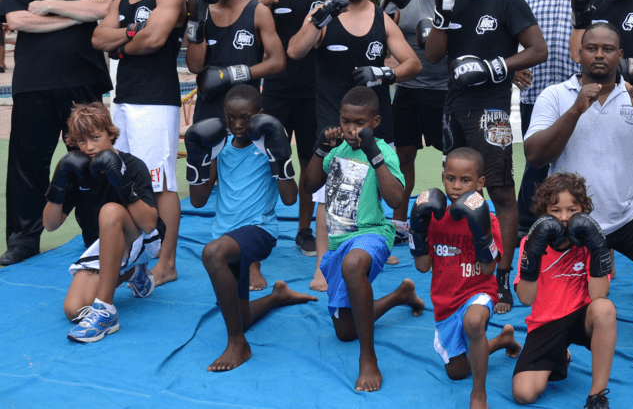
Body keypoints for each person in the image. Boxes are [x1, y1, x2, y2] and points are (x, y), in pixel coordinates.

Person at [524, 23, 633, 344]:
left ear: (621, 55)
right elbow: (535, 155)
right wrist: (575, 111)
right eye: (592, 48)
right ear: (579, 54)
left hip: (628, 214)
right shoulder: (556, 95)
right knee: (571, 317)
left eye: (608, 49)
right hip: (570, 220)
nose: (599, 55)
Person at [425, 0, 549, 313]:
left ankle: (502, 276)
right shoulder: (453, 1)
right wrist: (442, 12)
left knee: (500, 193)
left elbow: (538, 49)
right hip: (453, 107)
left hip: (491, 112)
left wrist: (495, 67)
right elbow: (433, 55)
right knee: (458, 190)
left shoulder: (507, 1)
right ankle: (468, 265)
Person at [287, 0, 422, 291]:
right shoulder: (322, 14)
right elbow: (295, 50)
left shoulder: (381, 18)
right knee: (326, 195)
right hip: (333, 120)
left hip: (376, 120)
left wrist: (385, 73)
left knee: (376, 185)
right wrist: (320, 18)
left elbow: (412, 63)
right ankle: (322, 265)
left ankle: (374, 241)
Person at [0, 0, 113, 266]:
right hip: (34, 83)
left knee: (91, 160)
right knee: (27, 165)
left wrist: (48, 4)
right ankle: (23, 240)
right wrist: (77, 14)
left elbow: (104, 8)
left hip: (83, 82)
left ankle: (96, 235)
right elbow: (19, 20)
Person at [300, 86, 426, 392]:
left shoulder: (383, 152)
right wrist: (319, 149)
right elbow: (309, 186)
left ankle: (368, 359)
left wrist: (375, 156)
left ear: (375, 122)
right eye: (346, 122)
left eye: (360, 123)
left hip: (372, 234)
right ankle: (401, 295)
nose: (351, 129)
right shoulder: (336, 151)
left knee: (354, 264)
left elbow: (396, 198)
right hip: (338, 243)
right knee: (345, 331)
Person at [187, 85, 317, 372]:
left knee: (213, 253)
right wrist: (197, 160)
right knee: (240, 316)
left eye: (245, 118)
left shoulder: (267, 145)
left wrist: (280, 158)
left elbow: (289, 199)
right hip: (226, 235)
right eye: (230, 118)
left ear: (259, 115)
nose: (237, 125)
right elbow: (197, 201)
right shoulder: (219, 147)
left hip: (258, 230)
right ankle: (278, 296)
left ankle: (238, 344)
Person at [91, 0, 185, 286]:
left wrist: (121, 43)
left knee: (160, 182)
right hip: (124, 99)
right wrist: (132, 33)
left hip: (156, 102)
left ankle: (168, 262)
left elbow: (155, 39)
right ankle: (135, 256)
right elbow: (98, 38)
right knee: (127, 178)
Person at [408, 147, 522, 409]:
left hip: (478, 292)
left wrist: (480, 232)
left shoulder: (487, 219)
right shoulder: (434, 218)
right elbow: (423, 267)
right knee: (457, 371)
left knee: (473, 322)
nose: (457, 186)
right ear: (443, 177)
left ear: (480, 183)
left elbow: (488, 270)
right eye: (451, 179)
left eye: (465, 180)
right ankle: (503, 339)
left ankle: (479, 394)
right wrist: (417, 231)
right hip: (445, 302)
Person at [43, 102, 164, 343]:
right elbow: (50, 224)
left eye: (96, 138)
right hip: (102, 247)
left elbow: (150, 224)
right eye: (81, 141)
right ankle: (134, 273)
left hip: (141, 240)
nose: (89, 147)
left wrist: (121, 182)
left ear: (110, 133)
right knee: (74, 309)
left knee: (110, 212)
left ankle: (106, 312)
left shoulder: (133, 166)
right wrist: (58, 182)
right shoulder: (79, 171)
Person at [510, 0, 599, 237]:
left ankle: (579, 224)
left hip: (580, 92)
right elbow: (504, 30)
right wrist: (509, 67)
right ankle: (528, 226)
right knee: (536, 162)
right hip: (535, 91)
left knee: (578, 160)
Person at [257, 0, 341, 258]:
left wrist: (330, 1)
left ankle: (305, 229)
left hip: (315, 88)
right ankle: (260, 223)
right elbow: (254, 26)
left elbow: (347, 27)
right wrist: (261, 4)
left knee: (310, 160)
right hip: (277, 86)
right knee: (267, 157)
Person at [512, 172, 615, 409]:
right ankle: (560, 354)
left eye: (572, 209)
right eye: (555, 210)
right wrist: (533, 255)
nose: (565, 217)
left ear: (583, 210)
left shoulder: (590, 240)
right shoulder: (531, 242)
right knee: (523, 394)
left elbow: (599, 296)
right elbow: (525, 298)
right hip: (545, 323)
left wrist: (598, 250)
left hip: (581, 317)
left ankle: (597, 395)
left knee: (605, 309)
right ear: (544, 212)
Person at [389, 0, 452, 232]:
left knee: (452, 160)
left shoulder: (455, 0)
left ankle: (455, 220)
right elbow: (381, 37)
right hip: (408, 90)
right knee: (403, 156)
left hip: (445, 91)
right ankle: (399, 222)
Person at [185, 0, 286, 125]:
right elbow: (194, 66)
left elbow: (278, 61)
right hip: (208, 109)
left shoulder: (258, 12)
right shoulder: (204, 13)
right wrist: (195, 22)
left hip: (245, 111)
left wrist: (232, 74)